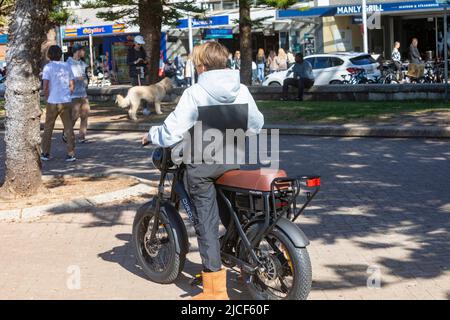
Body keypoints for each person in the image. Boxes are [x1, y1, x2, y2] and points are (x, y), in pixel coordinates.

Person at [142, 42, 264, 300]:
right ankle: (244, 266)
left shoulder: (195, 92)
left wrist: (152, 134)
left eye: (196, 63)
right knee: (233, 216)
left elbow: (173, 130)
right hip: (233, 161)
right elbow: (256, 124)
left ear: (202, 66)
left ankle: (215, 292)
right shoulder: (240, 89)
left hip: (202, 167)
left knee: (206, 223)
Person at [40, 45, 76, 162]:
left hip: (52, 100)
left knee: (48, 128)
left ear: (49, 55)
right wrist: (68, 94)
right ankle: (71, 153)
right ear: (60, 54)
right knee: (68, 127)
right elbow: (72, 85)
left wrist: (47, 98)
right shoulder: (67, 66)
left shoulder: (48, 67)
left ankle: (45, 153)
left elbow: (45, 86)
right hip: (66, 100)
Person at [66, 44, 90, 144]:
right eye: (82, 50)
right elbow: (67, 78)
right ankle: (67, 133)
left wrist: (87, 78)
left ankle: (82, 137)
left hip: (83, 93)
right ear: (77, 51)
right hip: (73, 95)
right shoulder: (68, 63)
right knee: (74, 116)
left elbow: (85, 76)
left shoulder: (83, 63)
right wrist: (77, 78)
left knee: (85, 114)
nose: (84, 53)